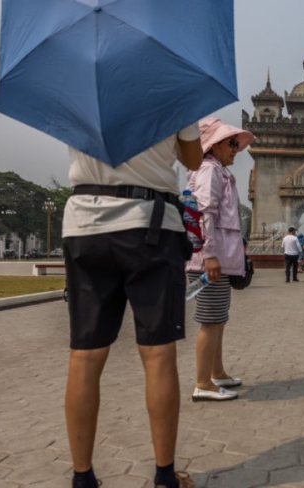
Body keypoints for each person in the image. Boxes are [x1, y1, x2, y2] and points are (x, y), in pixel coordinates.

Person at [62, 121, 202, 487]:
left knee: (85, 353)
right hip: (149, 223)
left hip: (85, 223)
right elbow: (193, 159)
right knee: (157, 353)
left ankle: (82, 477)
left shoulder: (78, 81)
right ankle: (165, 476)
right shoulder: (173, 84)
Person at [186, 117, 254, 403]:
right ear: (213, 144)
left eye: (237, 143)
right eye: (232, 142)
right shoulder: (209, 170)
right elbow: (203, 213)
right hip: (209, 261)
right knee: (210, 322)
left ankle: (217, 372)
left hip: (218, 260)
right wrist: (210, 255)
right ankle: (203, 383)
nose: (237, 148)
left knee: (218, 320)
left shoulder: (218, 172)